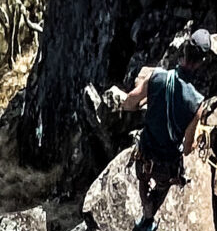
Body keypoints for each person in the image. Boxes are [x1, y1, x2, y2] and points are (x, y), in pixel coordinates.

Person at [86, 59, 209, 221]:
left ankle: (146, 208)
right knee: (163, 185)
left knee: (143, 179)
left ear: (183, 55)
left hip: (146, 151)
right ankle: (152, 211)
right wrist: (199, 138)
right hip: (166, 162)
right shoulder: (196, 103)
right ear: (201, 62)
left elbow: (130, 103)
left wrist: (146, 101)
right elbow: (187, 148)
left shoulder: (157, 76)